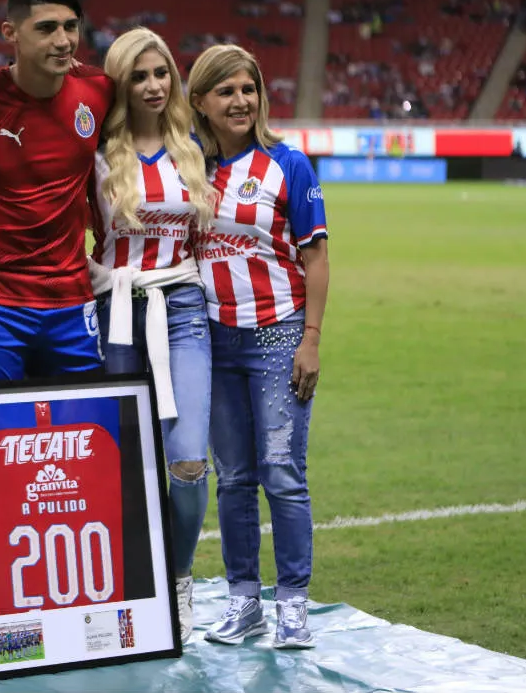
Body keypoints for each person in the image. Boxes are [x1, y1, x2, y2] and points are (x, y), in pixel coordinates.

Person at [186, 44, 329, 650]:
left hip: (277, 338)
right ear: (199, 102)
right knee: (235, 477)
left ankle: (292, 604)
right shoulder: (185, 167)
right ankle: (244, 600)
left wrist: (311, 340)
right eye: (226, 91)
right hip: (212, 340)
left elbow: (316, 256)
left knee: (282, 474)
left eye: (248, 88)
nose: (241, 100)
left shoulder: (287, 164)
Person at [87, 27, 214, 644]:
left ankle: (179, 576)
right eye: (138, 76)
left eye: (161, 72)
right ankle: (131, 584)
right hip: (114, 316)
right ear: (119, 83)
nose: (153, 86)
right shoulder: (94, 154)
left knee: (189, 461)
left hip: (184, 310)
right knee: (120, 465)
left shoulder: (194, 150)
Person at [0, 0, 115, 383]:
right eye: (46, 28)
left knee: (82, 438)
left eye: (70, 27)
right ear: (10, 32)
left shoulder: (98, 90)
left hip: (73, 302)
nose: (63, 41)